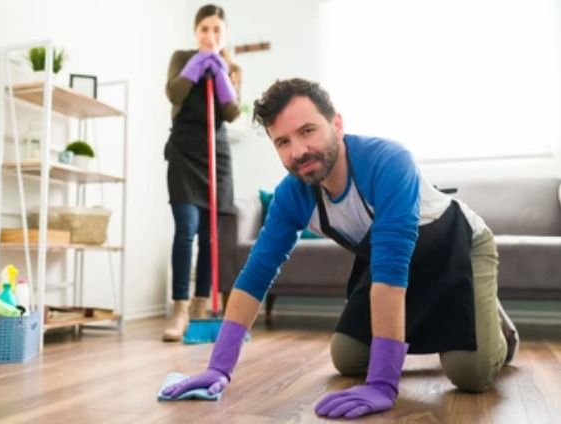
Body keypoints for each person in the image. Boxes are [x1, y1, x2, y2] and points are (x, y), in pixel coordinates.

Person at [162, 78, 519, 419]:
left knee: (470, 374)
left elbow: (391, 272)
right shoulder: (292, 194)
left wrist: (382, 384)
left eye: (307, 131)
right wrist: (218, 367)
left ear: (337, 124)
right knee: (348, 357)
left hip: (456, 247)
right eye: (282, 142)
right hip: (387, 265)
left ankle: (498, 331)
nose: (298, 152)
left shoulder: (389, 162)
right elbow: (255, 276)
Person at [162, 4, 241, 342]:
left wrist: (221, 73)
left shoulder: (233, 66)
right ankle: (179, 307)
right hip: (185, 151)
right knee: (187, 230)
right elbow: (174, 93)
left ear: (224, 34)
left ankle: (200, 306)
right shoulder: (181, 58)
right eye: (204, 29)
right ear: (196, 32)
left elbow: (233, 111)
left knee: (211, 236)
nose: (210, 36)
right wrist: (196, 67)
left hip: (216, 156)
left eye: (216, 31)